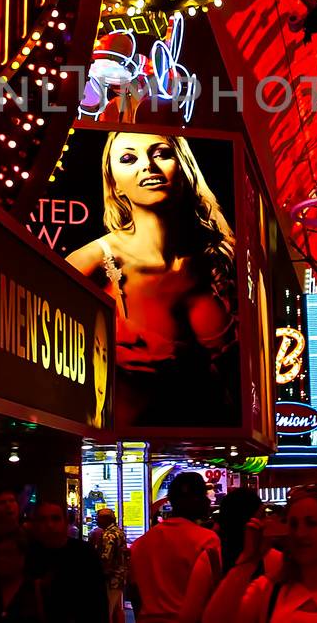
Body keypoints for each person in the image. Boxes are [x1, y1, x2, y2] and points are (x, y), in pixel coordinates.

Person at [67, 133, 238, 427]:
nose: (147, 166)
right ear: (115, 184)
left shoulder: (222, 255)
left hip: (215, 437)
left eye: (160, 153)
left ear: (183, 166)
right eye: (128, 158)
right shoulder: (92, 262)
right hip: (123, 440)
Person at [202, 490, 317, 623]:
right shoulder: (269, 590)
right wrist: (247, 561)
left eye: (311, 523)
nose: (300, 533)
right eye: (293, 524)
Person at [129, 472, 220, 623]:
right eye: (204, 496)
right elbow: (214, 595)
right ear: (196, 499)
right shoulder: (207, 540)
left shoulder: (141, 543)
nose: (208, 502)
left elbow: (134, 591)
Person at [28, 500, 108, 623]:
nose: (49, 525)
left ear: (65, 523)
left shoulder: (84, 553)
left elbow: (98, 599)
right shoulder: (29, 554)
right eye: (43, 519)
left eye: (55, 519)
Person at [90, 508, 131, 623]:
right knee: (117, 609)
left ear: (106, 519)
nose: (97, 520)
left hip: (111, 580)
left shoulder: (109, 535)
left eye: (99, 517)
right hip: (120, 577)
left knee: (106, 610)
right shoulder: (119, 531)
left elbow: (105, 559)